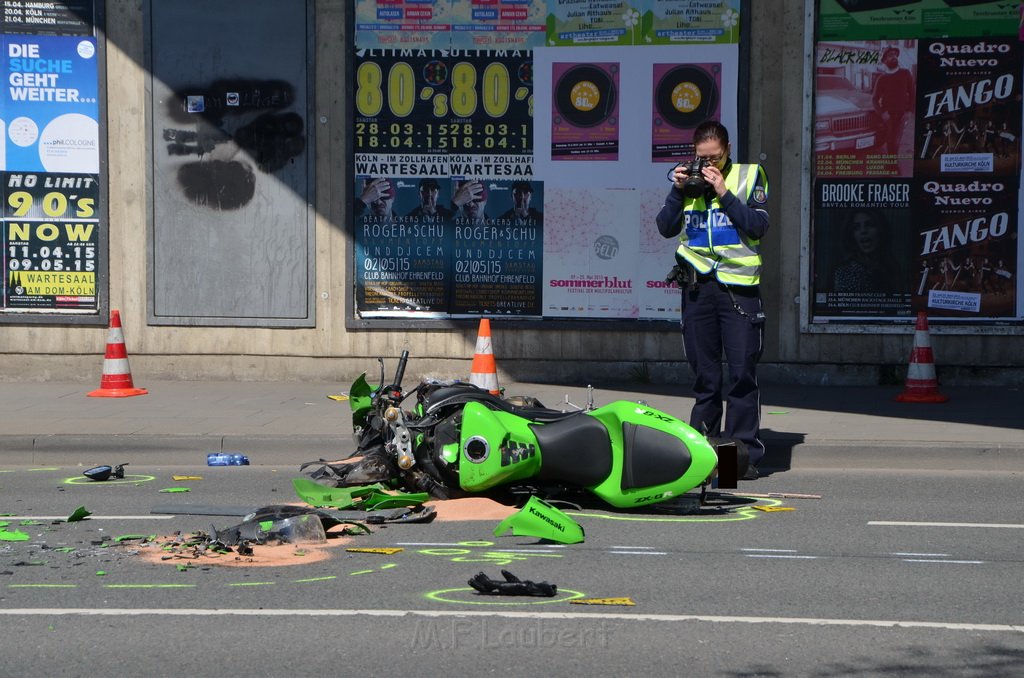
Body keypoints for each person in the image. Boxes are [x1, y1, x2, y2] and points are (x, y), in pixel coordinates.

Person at [656, 120, 769, 479]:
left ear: (728, 150)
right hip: (698, 290)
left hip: (738, 290)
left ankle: (735, 463)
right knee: (705, 379)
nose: (708, 166)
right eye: (702, 158)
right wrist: (677, 190)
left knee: (740, 376)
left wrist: (723, 191)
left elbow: (757, 226)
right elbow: (665, 227)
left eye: (715, 159)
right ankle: (703, 463)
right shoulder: (687, 182)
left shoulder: (750, 176)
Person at [829, 208, 903, 293]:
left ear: (881, 229)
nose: (863, 231)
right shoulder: (843, 272)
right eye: (856, 227)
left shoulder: (892, 268)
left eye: (869, 225)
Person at [871, 46, 914, 155]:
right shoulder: (882, 78)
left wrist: (909, 111)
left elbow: (913, 93)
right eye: (890, 55)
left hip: (902, 114)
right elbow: (874, 99)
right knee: (890, 141)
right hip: (888, 115)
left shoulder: (905, 73)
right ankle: (892, 165)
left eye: (895, 54)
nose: (894, 57)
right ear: (884, 60)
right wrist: (882, 113)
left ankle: (892, 164)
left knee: (897, 141)